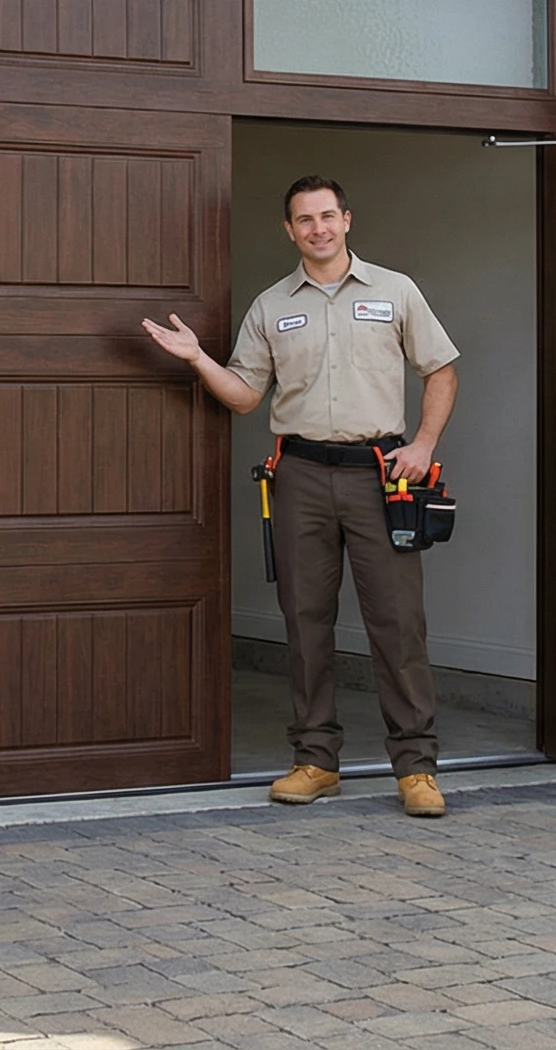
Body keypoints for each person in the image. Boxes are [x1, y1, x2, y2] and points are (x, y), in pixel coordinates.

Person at [142, 175, 460, 818]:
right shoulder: (270, 307)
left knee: (398, 623)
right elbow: (245, 396)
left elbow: (441, 369)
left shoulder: (395, 291)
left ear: (347, 220)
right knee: (305, 621)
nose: (318, 228)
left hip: (381, 475)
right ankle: (315, 760)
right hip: (301, 476)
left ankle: (417, 768)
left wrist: (423, 445)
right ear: (289, 231)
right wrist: (198, 359)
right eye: (304, 220)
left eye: (327, 216)